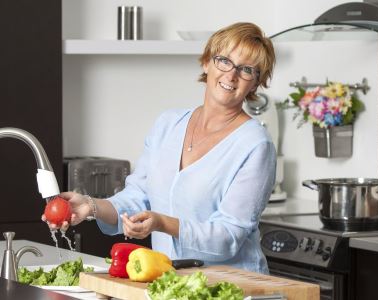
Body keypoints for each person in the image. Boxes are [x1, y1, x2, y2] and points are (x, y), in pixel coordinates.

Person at [43, 22, 277, 274]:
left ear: (255, 83)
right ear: (206, 62)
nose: (231, 75)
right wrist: (91, 206)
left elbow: (228, 236)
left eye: (246, 70)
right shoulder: (169, 124)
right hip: (171, 282)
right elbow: (138, 197)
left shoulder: (255, 144)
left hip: (234, 286)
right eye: (224, 61)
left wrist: (163, 223)